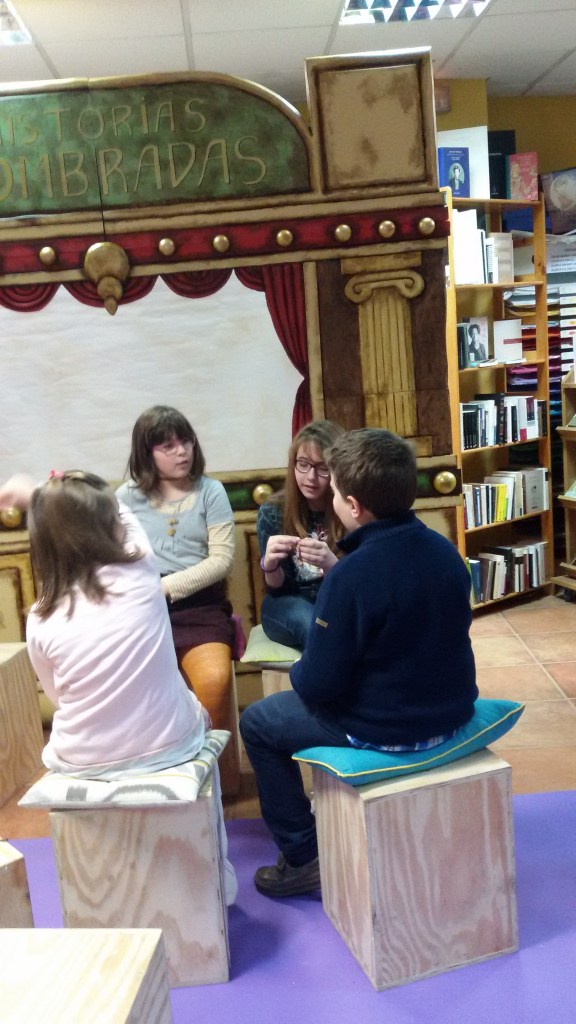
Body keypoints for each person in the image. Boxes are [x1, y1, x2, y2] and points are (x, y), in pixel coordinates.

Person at [240, 428, 478, 898]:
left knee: (258, 724)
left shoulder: (350, 576)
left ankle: (303, 856)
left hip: (387, 729)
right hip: (453, 714)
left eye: (332, 490)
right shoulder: (447, 552)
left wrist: (305, 667)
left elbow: (317, 685)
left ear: (351, 505)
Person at [0, 469, 237, 901]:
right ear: (110, 526)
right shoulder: (140, 571)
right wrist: (39, 491)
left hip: (82, 760)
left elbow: (56, 696)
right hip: (167, 747)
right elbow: (124, 513)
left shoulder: (40, 616)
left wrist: (44, 503)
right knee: (201, 721)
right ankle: (219, 872)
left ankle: (97, 890)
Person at [117, 405, 240, 795]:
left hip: (201, 608)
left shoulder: (210, 491)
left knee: (215, 682)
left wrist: (166, 587)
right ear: (146, 452)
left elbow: (221, 560)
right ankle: (158, 780)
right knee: (134, 691)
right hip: (143, 610)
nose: (181, 451)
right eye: (167, 446)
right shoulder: (125, 497)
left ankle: (214, 783)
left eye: (185, 441)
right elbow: (116, 556)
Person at [257, 420, 345, 651]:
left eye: (322, 468)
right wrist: (270, 566)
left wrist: (332, 565)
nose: (311, 477)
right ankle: (328, 665)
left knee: (334, 619)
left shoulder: (349, 509)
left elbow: (358, 586)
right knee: (308, 618)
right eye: (303, 465)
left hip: (337, 602)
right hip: (287, 604)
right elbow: (278, 590)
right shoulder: (273, 511)